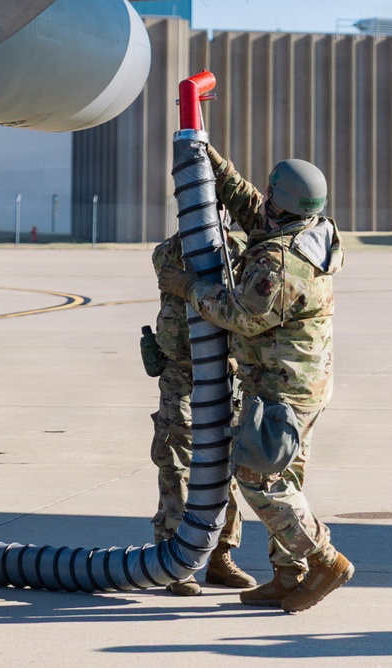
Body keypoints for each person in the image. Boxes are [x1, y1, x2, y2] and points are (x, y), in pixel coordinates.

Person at [157, 145, 352, 613]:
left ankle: (323, 559)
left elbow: (239, 316)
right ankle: (289, 575)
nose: (257, 200)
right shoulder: (308, 229)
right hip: (301, 383)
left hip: (281, 388)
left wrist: (186, 286)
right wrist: (209, 157)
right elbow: (247, 200)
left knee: (259, 479)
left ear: (277, 200)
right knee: (286, 474)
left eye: (267, 194)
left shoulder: (278, 265)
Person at [149, 228, 255, 595]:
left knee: (228, 466)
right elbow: (167, 267)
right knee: (176, 460)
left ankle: (220, 555)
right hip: (180, 371)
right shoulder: (171, 251)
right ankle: (176, 556)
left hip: (224, 372)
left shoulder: (241, 254)